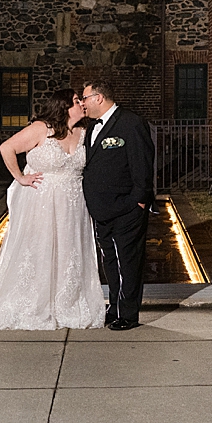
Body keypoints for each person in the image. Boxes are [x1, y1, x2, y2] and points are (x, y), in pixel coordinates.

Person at [0, 89, 104, 331]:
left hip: (73, 205)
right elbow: (6, 148)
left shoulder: (85, 132)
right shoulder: (42, 128)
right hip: (41, 203)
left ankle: (67, 302)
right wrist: (20, 177)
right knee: (40, 249)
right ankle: (35, 303)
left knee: (69, 250)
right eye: (76, 101)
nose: (81, 104)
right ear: (63, 107)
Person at [79, 79, 155, 330]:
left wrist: (139, 201)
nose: (82, 104)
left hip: (127, 208)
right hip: (101, 209)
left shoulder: (131, 123)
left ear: (98, 98)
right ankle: (115, 307)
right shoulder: (91, 128)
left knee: (128, 262)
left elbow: (142, 164)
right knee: (110, 261)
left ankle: (128, 314)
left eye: (85, 99)